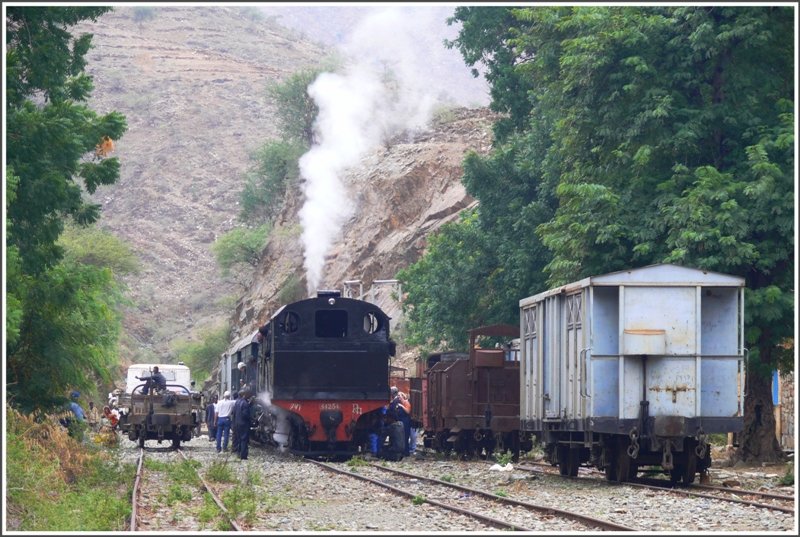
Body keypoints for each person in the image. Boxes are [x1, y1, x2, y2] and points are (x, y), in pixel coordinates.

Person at [389, 387, 412, 456]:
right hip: (401, 421)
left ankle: (406, 452)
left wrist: (401, 406)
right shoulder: (397, 403)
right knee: (401, 436)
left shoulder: (405, 403)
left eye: (400, 396)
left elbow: (408, 411)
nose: (399, 397)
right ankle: (403, 451)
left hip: (405, 421)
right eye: (398, 396)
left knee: (405, 436)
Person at [232, 389, 251, 460]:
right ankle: (243, 455)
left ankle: (238, 453)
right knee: (244, 439)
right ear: (244, 395)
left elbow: (234, 413)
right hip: (243, 423)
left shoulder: (237, 402)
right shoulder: (245, 403)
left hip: (237, 423)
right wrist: (250, 419)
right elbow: (245, 414)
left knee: (239, 439)